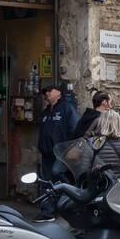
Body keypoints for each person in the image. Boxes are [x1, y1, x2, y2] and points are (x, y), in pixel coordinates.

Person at [37, 82, 81, 219]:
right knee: (45, 182)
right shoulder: (45, 112)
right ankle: (47, 211)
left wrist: (73, 149)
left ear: (59, 93)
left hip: (61, 154)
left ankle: (66, 208)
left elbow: (76, 129)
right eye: (46, 91)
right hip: (46, 154)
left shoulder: (67, 109)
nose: (47, 93)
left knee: (59, 178)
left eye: (50, 90)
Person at [88, 110, 120, 184]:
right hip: (119, 185)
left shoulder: (91, 142)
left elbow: (85, 167)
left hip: (98, 185)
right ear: (119, 124)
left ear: (101, 123)